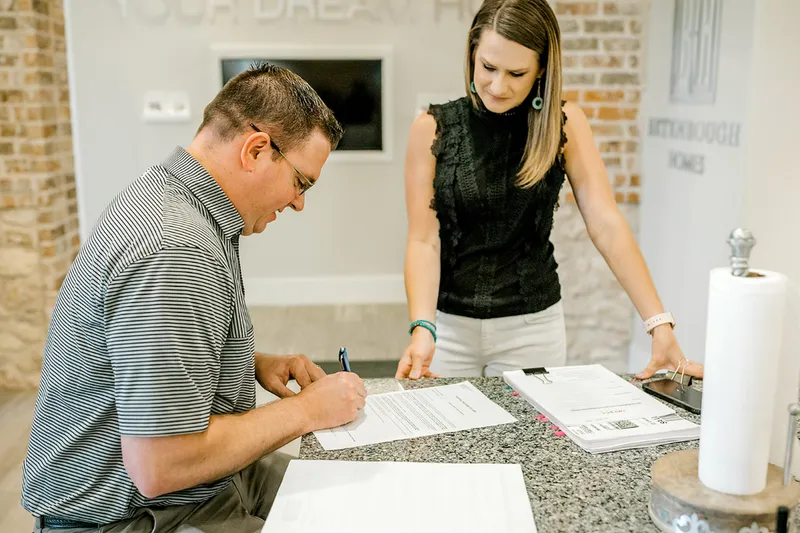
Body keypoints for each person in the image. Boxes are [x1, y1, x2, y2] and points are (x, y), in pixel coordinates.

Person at [22, 62, 367, 533]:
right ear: (256, 149)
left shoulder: (174, 197)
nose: (298, 202)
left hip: (196, 489)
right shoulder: (178, 248)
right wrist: (308, 410)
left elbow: (142, 354)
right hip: (138, 514)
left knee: (358, 498)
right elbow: (162, 463)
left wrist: (245, 362)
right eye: (301, 182)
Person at [395, 0, 704, 381]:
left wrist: (659, 323)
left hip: (531, 331)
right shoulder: (431, 128)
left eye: (516, 73)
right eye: (488, 67)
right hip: (448, 331)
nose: (497, 85)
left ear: (541, 69)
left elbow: (605, 223)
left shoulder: (564, 124)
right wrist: (422, 327)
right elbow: (424, 241)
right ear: (473, 53)